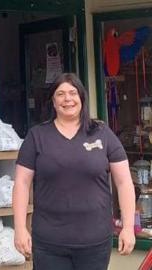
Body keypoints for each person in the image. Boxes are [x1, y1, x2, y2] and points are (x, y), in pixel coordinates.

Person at [12, 73, 136, 270]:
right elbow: (21, 183)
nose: (67, 99)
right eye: (60, 94)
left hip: (95, 242)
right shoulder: (37, 136)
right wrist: (19, 228)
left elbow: (124, 182)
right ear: (53, 101)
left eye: (73, 93)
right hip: (49, 244)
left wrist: (128, 228)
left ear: (82, 98)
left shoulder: (102, 134)